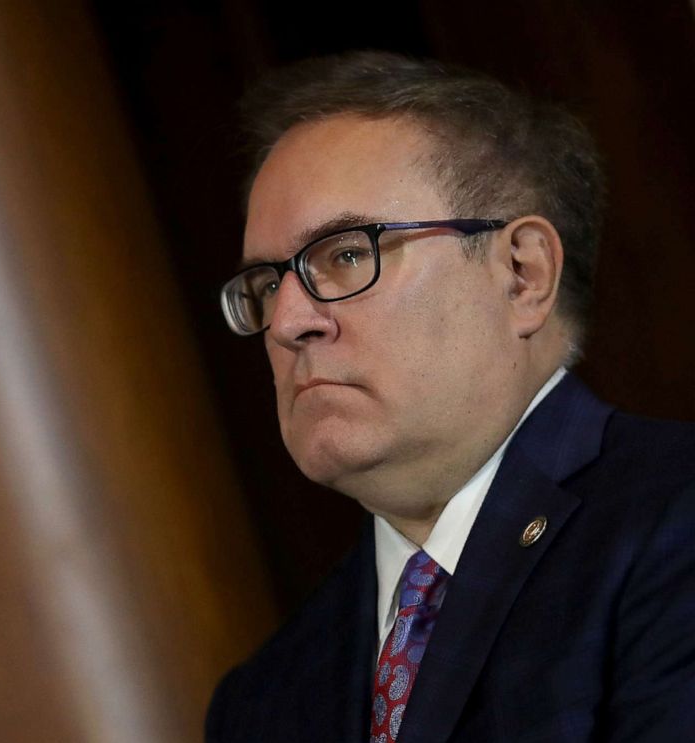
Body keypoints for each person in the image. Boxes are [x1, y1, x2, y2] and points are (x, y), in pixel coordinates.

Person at [207, 51, 695, 743]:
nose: (288, 322)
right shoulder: (260, 703)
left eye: (347, 253)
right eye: (266, 281)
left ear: (522, 273)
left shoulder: (675, 521)